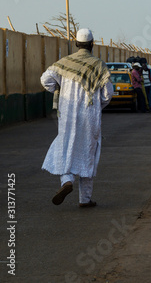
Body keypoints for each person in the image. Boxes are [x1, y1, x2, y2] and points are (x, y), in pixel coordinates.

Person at [40, 28, 113, 208]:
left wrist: (59, 90)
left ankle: (66, 180)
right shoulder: (98, 65)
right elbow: (107, 94)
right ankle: (85, 199)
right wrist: (97, 105)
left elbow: (45, 80)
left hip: (66, 114)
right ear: (92, 44)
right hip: (90, 115)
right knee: (89, 151)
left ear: (76, 44)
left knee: (65, 147)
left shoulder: (64, 63)